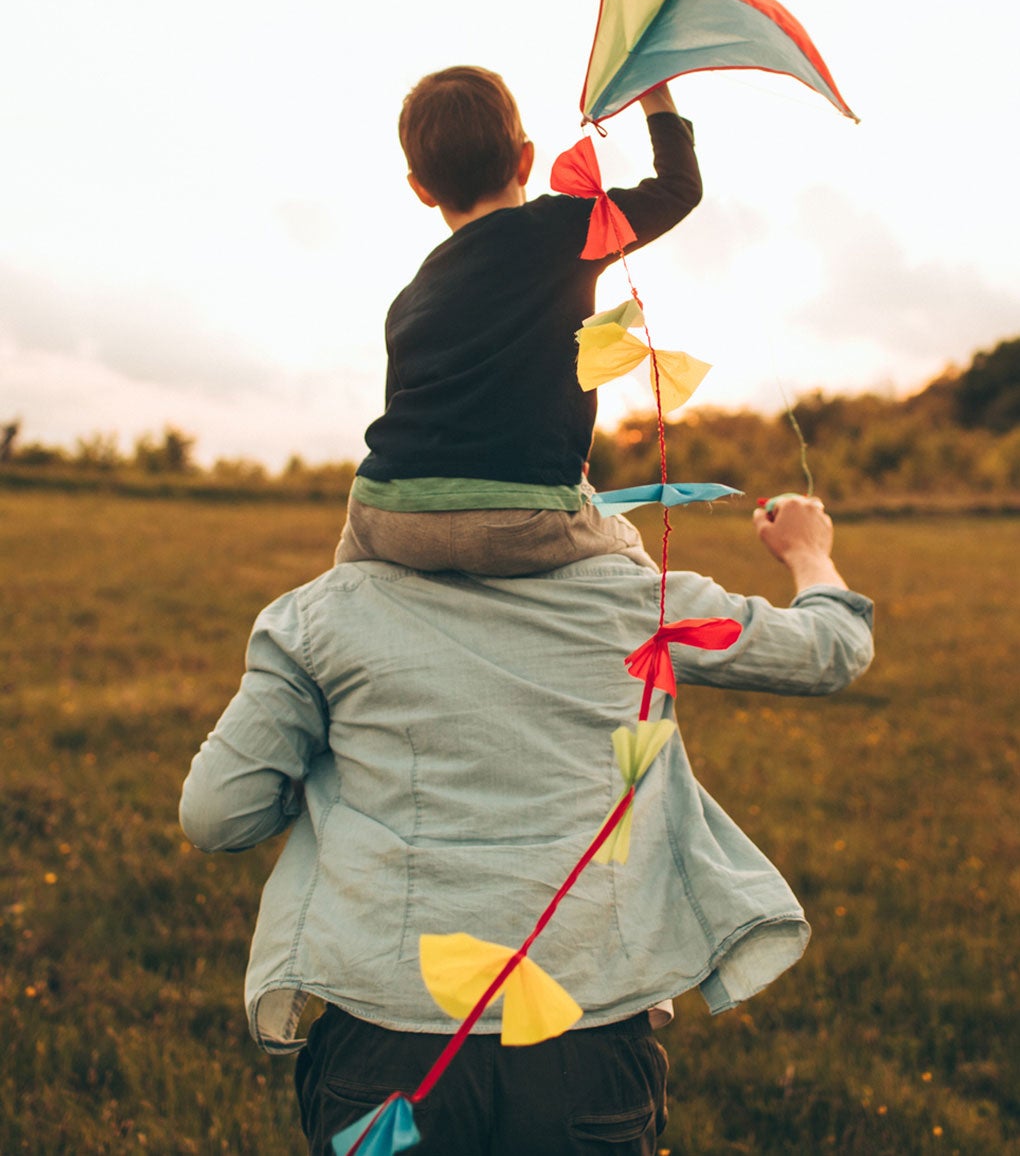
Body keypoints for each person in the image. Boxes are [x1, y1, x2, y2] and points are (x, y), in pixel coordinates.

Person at [179, 495, 874, 1156]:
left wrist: (329, 784)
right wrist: (808, 551)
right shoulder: (641, 601)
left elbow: (217, 814)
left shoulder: (322, 615)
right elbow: (831, 647)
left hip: (386, 1047)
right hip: (584, 1048)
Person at [334, 65, 703, 576]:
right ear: (525, 160)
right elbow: (679, 188)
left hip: (383, 511)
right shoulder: (563, 228)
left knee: (347, 585)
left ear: (421, 188)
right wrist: (655, 94)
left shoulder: (410, 296)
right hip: (519, 516)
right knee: (627, 555)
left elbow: (402, 407)